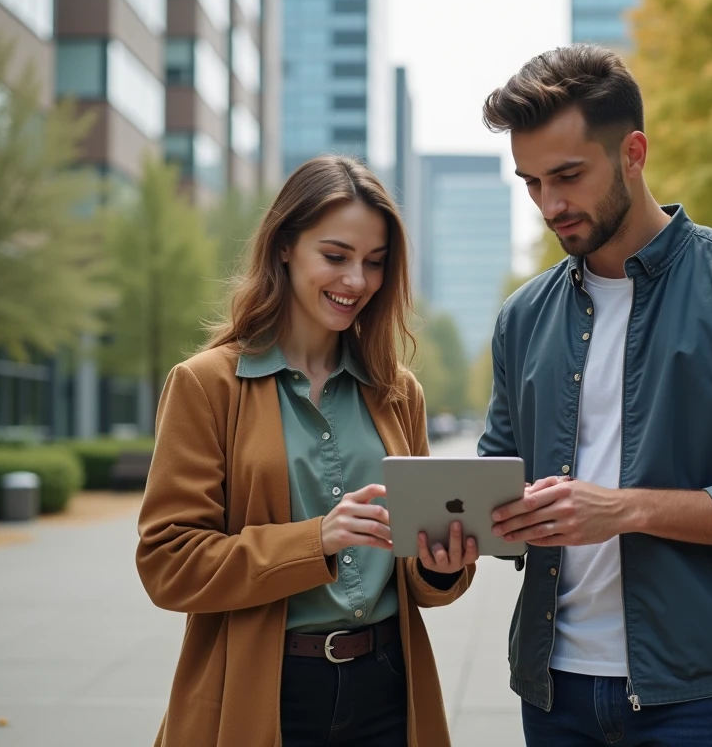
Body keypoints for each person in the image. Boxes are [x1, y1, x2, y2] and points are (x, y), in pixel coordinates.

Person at [477, 44, 712, 746]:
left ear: (633, 153)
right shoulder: (522, 318)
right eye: (531, 183)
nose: (550, 205)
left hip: (701, 694)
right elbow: (499, 483)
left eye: (568, 176)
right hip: (552, 690)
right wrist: (459, 529)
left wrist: (624, 510)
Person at [135, 155, 478, 747]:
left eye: (374, 262)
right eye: (336, 256)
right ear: (285, 247)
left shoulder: (398, 394)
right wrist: (316, 540)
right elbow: (169, 565)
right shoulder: (206, 385)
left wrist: (438, 565)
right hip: (263, 693)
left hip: (388, 689)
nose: (357, 281)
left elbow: (418, 576)